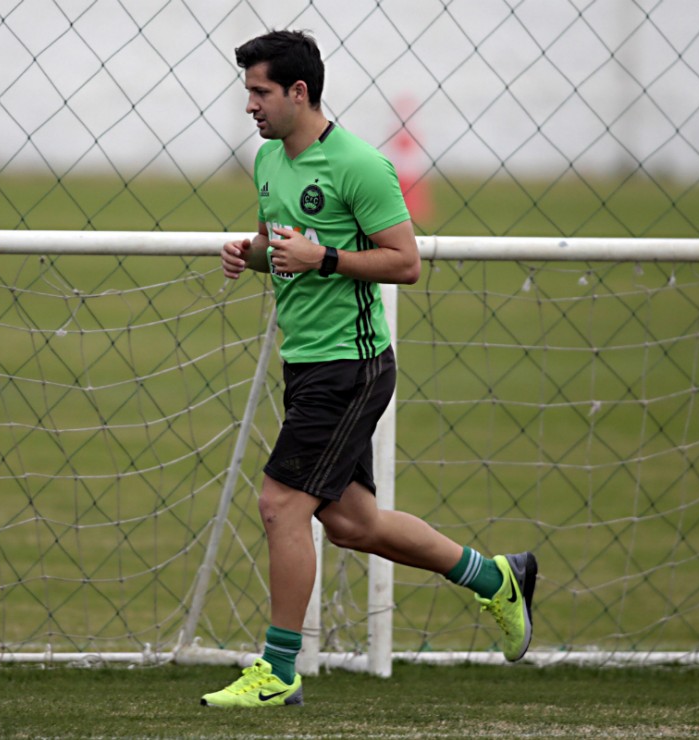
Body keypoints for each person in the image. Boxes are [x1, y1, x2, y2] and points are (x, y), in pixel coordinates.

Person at [201, 29, 538, 709]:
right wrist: (250, 253)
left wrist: (325, 259)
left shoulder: (360, 165)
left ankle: (279, 672)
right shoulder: (268, 159)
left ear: (299, 91)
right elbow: (280, 245)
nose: (250, 106)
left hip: (350, 367)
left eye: (260, 92)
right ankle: (496, 578)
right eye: (248, 92)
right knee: (352, 524)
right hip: (306, 365)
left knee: (280, 505)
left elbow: (405, 262)